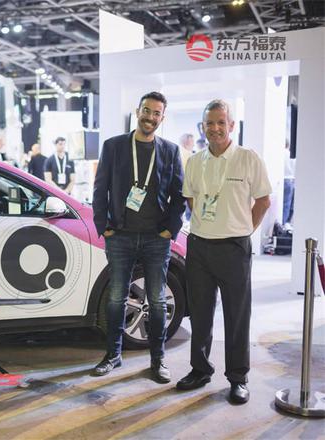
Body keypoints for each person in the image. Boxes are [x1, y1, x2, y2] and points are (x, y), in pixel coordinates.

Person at [177, 99, 271, 405]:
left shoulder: (247, 158)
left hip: (234, 247)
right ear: (202, 127)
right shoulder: (195, 161)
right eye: (209, 123)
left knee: (236, 314)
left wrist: (244, 229)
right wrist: (208, 223)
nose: (215, 128)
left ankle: (238, 378)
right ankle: (200, 369)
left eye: (221, 122)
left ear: (231, 125)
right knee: (200, 313)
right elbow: (191, 199)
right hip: (199, 246)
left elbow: (264, 201)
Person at [92, 91, 184, 383]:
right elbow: (100, 188)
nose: (150, 117)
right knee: (116, 298)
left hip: (157, 238)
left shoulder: (170, 151)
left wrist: (170, 229)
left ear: (162, 118)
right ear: (137, 111)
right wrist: (104, 226)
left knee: (157, 301)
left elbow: (179, 195)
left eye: (156, 113)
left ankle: (158, 360)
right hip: (120, 236)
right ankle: (113, 355)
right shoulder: (114, 146)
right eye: (147, 110)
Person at [282, 140, 295, 226]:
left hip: (281, 179)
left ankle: (281, 222)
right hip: (289, 179)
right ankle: (284, 224)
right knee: (287, 204)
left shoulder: (280, 154)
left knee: (281, 204)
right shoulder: (290, 154)